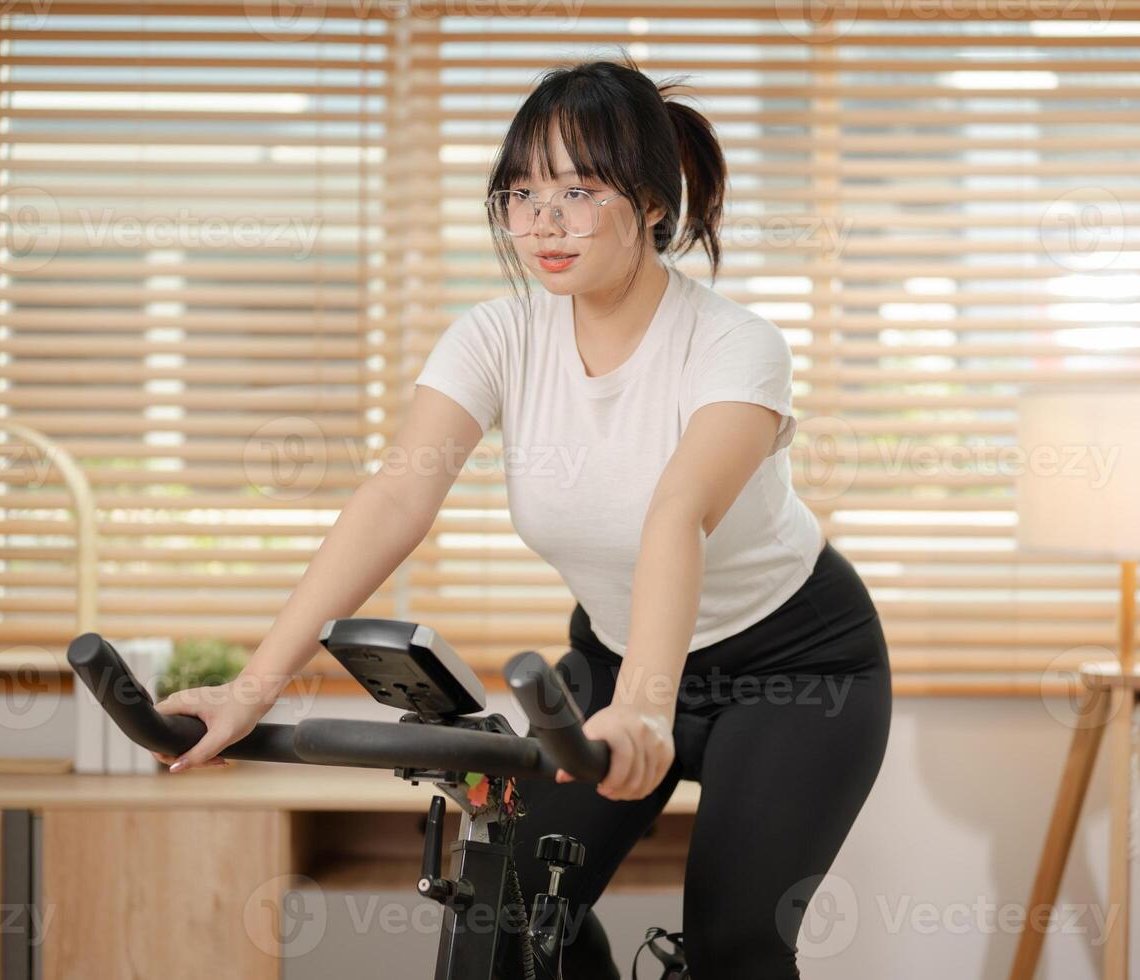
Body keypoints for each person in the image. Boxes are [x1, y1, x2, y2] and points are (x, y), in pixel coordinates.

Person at [153, 53, 892, 980]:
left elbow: (675, 514)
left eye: (579, 190)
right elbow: (394, 497)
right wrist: (255, 685)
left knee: (734, 943)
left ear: (653, 204)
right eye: (522, 192)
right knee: (508, 908)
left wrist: (647, 716)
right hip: (618, 653)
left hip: (796, 664)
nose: (543, 220)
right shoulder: (498, 337)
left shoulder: (735, 346)